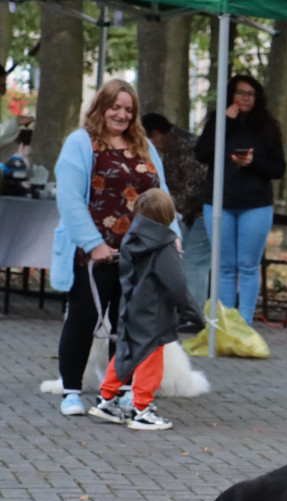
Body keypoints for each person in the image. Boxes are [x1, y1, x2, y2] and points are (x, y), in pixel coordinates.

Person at [50, 79, 180, 417]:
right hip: (96, 254)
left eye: (128, 109)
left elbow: (161, 193)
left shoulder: (144, 146)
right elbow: (70, 199)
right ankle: (72, 390)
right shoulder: (80, 144)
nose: (122, 115)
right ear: (101, 107)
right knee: (85, 318)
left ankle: (118, 391)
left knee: (130, 324)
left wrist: (173, 233)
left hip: (141, 253)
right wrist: (93, 244)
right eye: (115, 107)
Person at [88, 188, 204, 430]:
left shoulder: (131, 237)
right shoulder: (164, 245)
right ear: (169, 215)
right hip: (155, 313)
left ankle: (106, 399)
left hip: (131, 306)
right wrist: (191, 310)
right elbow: (176, 283)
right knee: (150, 361)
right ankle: (142, 409)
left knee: (126, 354)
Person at [195, 74, 286, 325]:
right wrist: (226, 122)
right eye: (239, 93)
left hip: (255, 204)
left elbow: (279, 168)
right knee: (224, 267)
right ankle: (225, 323)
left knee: (247, 265)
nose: (245, 98)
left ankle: (244, 323)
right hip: (219, 202)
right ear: (230, 96)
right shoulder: (218, 121)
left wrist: (252, 162)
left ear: (257, 98)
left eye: (250, 94)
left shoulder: (267, 126)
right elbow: (201, 154)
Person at [142, 112, 210, 308]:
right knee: (182, 261)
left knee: (193, 263)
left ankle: (195, 315)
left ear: (157, 135)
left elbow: (195, 191)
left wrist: (162, 203)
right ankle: (184, 310)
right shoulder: (173, 150)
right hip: (191, 217)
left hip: (203, 214)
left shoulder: (189, 149)